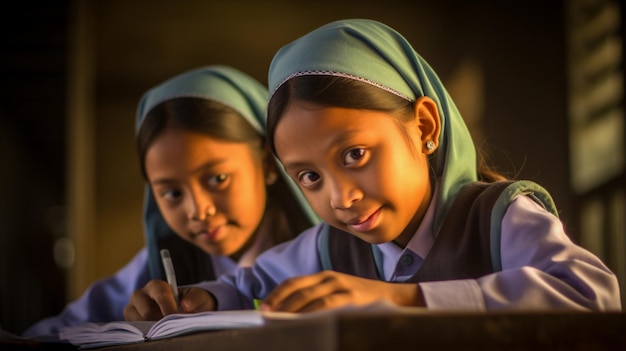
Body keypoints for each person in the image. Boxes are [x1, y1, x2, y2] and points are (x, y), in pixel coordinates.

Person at [125, 19, 621, 318]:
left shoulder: (499, 217)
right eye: (310, 177)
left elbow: (591, 294)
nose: (340, 199)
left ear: (426, 125)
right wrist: (193, 301)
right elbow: (246, 285)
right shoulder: (327, 246)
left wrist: (406, 301)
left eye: (355, 155)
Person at [23, 65, 316, 336]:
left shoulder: (330, 248)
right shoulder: (152, 273)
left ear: (267, 163)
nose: (198, 211)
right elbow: (47, 334)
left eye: (218, 179)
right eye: (172, 193)